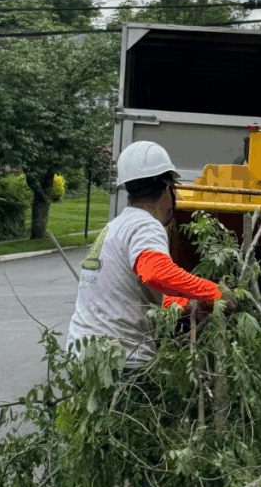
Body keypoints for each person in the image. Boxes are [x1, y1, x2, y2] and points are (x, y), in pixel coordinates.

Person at [67, 141, 234, 367]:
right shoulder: (146, 225)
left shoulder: (115, 227)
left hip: (85, 358)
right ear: (168, 188)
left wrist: (190, 306)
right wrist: (213, 292)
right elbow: (155, 273)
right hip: (122, 362)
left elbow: (133, 298)